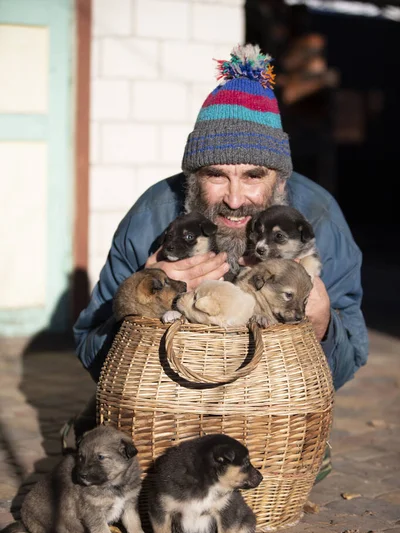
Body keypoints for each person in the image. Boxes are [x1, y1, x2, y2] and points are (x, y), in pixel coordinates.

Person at [70, 45, 369, 476]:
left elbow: (351, 356)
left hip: (271, 413)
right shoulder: (152, 216)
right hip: (170, 407)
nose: (234, 198)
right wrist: (146, 298)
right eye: (216, 175)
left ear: (279, 178)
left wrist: (322, 324)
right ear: (194, 176)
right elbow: (88, 343)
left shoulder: (318, 219)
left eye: (253, 175)